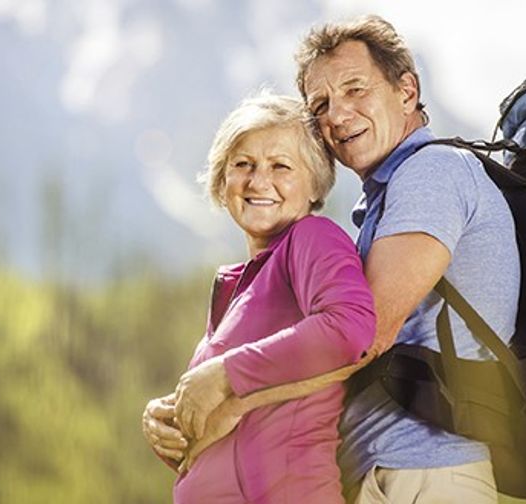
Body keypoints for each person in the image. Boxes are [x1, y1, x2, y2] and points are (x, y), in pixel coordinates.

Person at [169, 15, 521, 503]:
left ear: (406, 90)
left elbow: (363, 337)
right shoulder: (389, 196)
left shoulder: (432, 174)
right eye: (321, 105)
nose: (337, 114)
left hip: (423, 472)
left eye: (355, 90)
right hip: (391, 469)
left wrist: (234, 397)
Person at [141, 91, 376, 503]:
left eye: (280, 166)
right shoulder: (241, 287)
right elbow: (235, 431)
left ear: (314, 182)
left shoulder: (311, 237)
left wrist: (225, 372)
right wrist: (167, 420)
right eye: (243, 164)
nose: (257, 181)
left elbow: (349, 327)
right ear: (222, 179)